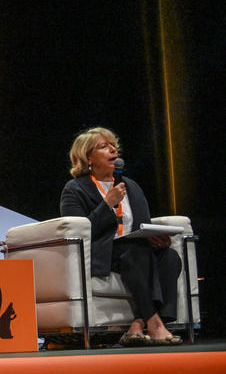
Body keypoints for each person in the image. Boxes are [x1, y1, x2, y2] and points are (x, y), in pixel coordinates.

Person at [60, 127, 182, 346]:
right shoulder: (75, 189)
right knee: (135, 251)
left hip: (136, 251)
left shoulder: (132, 187)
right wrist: (107, 203)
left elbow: (142, 224)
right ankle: (155, 324)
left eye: (113, 145)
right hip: (103, 253)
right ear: (88, 158)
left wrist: (154, 237)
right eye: (103, 146)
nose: (113, 149)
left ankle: (138, 324)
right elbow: (79, 231)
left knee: (170, 257)